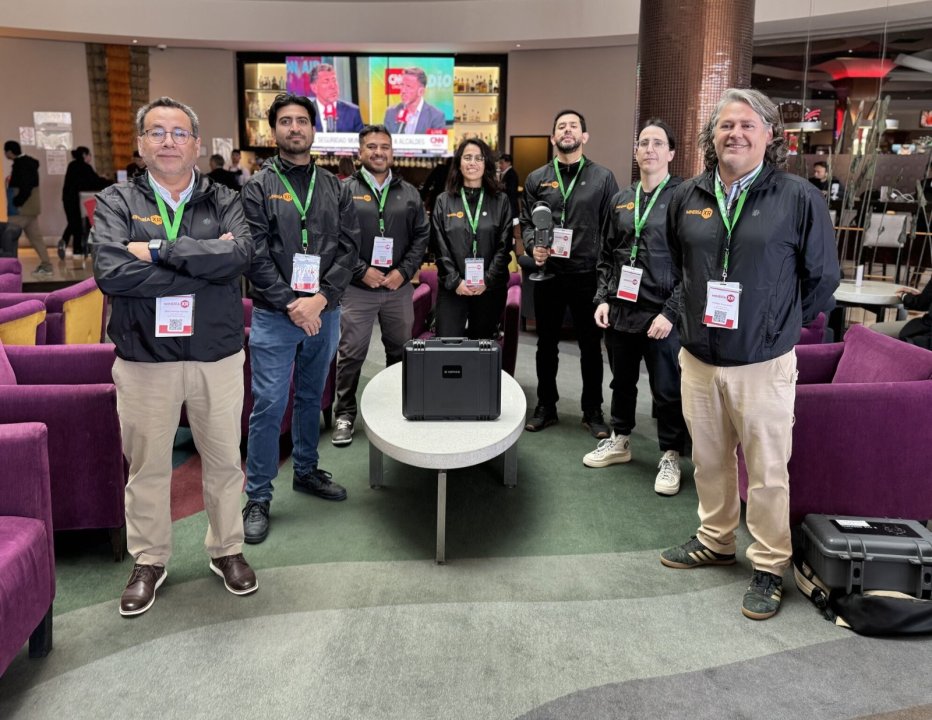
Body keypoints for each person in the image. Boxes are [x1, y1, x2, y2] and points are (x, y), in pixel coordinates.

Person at [660, 88, 840, 621]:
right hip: (700, 358)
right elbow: (680, 267)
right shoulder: (687, 195)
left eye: (746, 125)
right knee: (709, 460)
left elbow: (822, 279)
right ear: (711, 137)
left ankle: (768, 563)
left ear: (769, 135)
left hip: (763, 363)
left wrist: (776, 326)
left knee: (765, 470)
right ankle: (716, 539)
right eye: (725, 125)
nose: (734, 134)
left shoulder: (798, 197)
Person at [92, 96, 258, 617]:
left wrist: (159, 251)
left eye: (179, 132)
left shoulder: (225, 198)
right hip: (145, 359)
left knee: (225, 460)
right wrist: (202, 269)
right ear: (141, 144)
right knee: (147, 467)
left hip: (216, 356)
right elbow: (112, 273)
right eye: (157, 132)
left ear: (196, 144)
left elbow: (240, 255)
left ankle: (227, 548)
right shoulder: (117, 200)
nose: (169, 141)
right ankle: (149, 559)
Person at [241, 93, 361, 544]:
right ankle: (257, 496)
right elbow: (254, 254)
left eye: (302, 121)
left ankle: (306, 470)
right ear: (274, 130)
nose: (295, 128)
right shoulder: (257, 187)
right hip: (276, 314)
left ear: (314, 129)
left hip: (323, 313)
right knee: (270, 405)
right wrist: (294, 303)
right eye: (286, 121)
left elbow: (349, 249)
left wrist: (321, 300)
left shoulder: (335, 187)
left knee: (312, 396)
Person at [588, 118, 689, 496]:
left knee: (667, 388)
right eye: (644, 143)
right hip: (622, 310)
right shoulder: (621, 199)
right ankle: (620, 439)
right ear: (636, 152)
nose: (650, 149)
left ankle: (671, 454)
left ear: (671, 153)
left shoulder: (683, 198)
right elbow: (606, 254)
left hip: (662, 313)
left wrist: (671, 312)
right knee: (622, 381)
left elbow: (693, 265)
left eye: (658, 143)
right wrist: (603, 298)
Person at [520, 109, 619, 438]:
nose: (567, 130)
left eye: (573, 126)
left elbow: (611, 229)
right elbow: (527, 224)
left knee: (590, 346)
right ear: (553, 137)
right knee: (546, 344)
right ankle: (546, 406)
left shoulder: (603, 178)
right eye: (561, 126)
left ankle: (593, 411)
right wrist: (533, 246)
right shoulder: (536, 178)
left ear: (584, 136)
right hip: (548, 274)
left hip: (587, 275)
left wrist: (606, 277)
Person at [332, 125, 430, 446]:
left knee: (400, 351)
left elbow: (421, 236)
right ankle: (345, 414)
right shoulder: (343, 190)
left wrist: (404, 271)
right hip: (358, 289)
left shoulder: (409, 192)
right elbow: (334, 237)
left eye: (384, 147)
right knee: (351, 354)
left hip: (397, 288)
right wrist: (361, 271)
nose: (378, 152)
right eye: (372, 146)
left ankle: (395, 407)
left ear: (392, 152)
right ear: (360, 152)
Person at [432, 137, 513, 339]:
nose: (473, 163)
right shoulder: (444, 201)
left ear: (486, 164)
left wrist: (486, 280)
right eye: (467, 157)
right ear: (459, 163)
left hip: (489, 289)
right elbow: (439, 246)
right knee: (447, 346)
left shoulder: (500, 200)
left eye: (479, 158)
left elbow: (504, 247)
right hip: (453, 288)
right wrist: (456, 282)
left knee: (482, 349)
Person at [4, 140, 52, 276]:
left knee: (8, 237)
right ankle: (46, 265)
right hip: (31, 208)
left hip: (21, 210)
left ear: (9, 152)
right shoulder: (29, 163)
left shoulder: (21, 165)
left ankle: (8, 268)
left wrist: (17, 202)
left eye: (5, 152)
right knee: (36, 238)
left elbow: (26, 186)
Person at [59, 146, 111, 259]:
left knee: (73, 222)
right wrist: (107, 181)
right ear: (84, 155)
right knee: (77, 223)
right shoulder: (85, 167)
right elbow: (94, 182)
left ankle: (64, 241)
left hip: (68, 198)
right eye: (89, 155)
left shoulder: (72, 165)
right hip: (78, 199)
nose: (90, 157)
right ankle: (77, 250)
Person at [872, 279, 932, 350]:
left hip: (926, 337)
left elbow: (922, 304)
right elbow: (923, 303)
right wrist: (919, 296)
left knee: (874, 330)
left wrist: (905, 296)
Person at [384, 68, 446, 134]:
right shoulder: (391, 113)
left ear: (421, 91)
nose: (403, 90)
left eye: (408, 86)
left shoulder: (436, 117)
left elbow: (437, 140)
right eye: (402, 85)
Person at [309, 63, 364, 133]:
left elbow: (362, 138)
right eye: (326, 81)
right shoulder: (306, 112)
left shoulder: (353, 112)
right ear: (314, 88)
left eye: (334, 80)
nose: (333, 86)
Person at [497, 152, 520, 221]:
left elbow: (511, 192)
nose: (500, 166)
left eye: (502, 163)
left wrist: (499, 186)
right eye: (499, 163)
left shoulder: (511, 174)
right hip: (507, 207)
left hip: (511, 207)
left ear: (509, 163)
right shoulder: (505, 173)